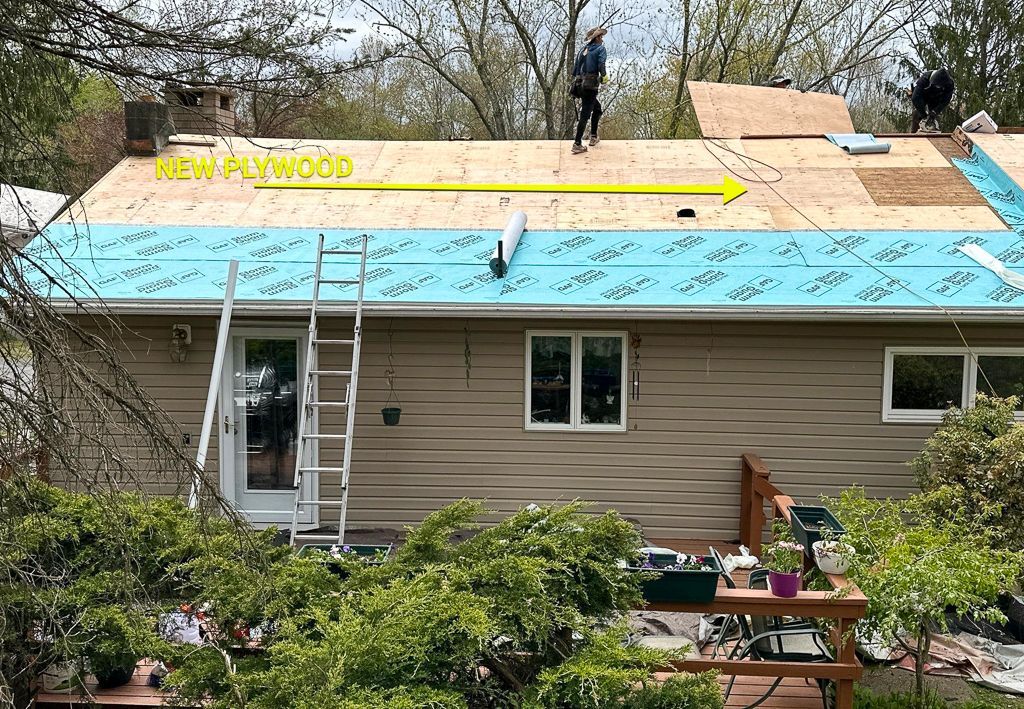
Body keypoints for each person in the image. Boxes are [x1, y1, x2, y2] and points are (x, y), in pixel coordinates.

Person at [571, 26, 609, 155]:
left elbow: (575, 70)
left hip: (579, 85)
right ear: (597, 38)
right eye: (601, 37)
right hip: (590, 86)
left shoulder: (583, 50)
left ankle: (593, 136)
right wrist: (604, 78)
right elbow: (601, 65)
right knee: (585, 114)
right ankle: (577, 143)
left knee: (597, 108)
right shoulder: (600, 49)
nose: (602, 39)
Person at [910, 68, 954, 133]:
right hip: (922, 96)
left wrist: (936, 111)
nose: (937, 87)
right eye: (936, 85)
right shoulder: (924, 79)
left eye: (939, 86)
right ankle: (913, 134)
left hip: (936, 99)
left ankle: (934, 130)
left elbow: (946, 100)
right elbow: (915, 98)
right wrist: (923, 114)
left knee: (933, 117)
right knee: (917, 114)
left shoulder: (949, 84)